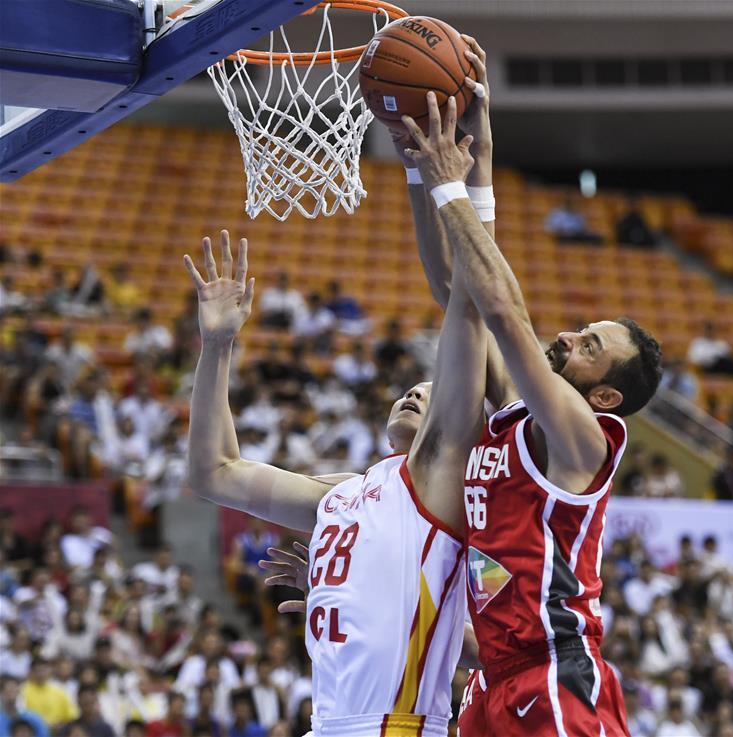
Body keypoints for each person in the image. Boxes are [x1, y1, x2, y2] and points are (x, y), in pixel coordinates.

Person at [402, 42, 661, 737]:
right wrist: (434, 168)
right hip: (491, 673)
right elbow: (460, 297)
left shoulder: (582, 438)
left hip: (555, 670)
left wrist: (451, 183)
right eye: (582, 327)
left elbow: (504, 313)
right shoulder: (516, 417)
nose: (572, 337)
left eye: (590, 346)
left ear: (604, 396)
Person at [182, 225, 487, 734]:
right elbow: (214, 473)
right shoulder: (345, 493)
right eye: (410, 388)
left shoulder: (442, 486)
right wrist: (217, 345)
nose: (415, 394)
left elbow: (466, 327)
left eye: (431, 395)